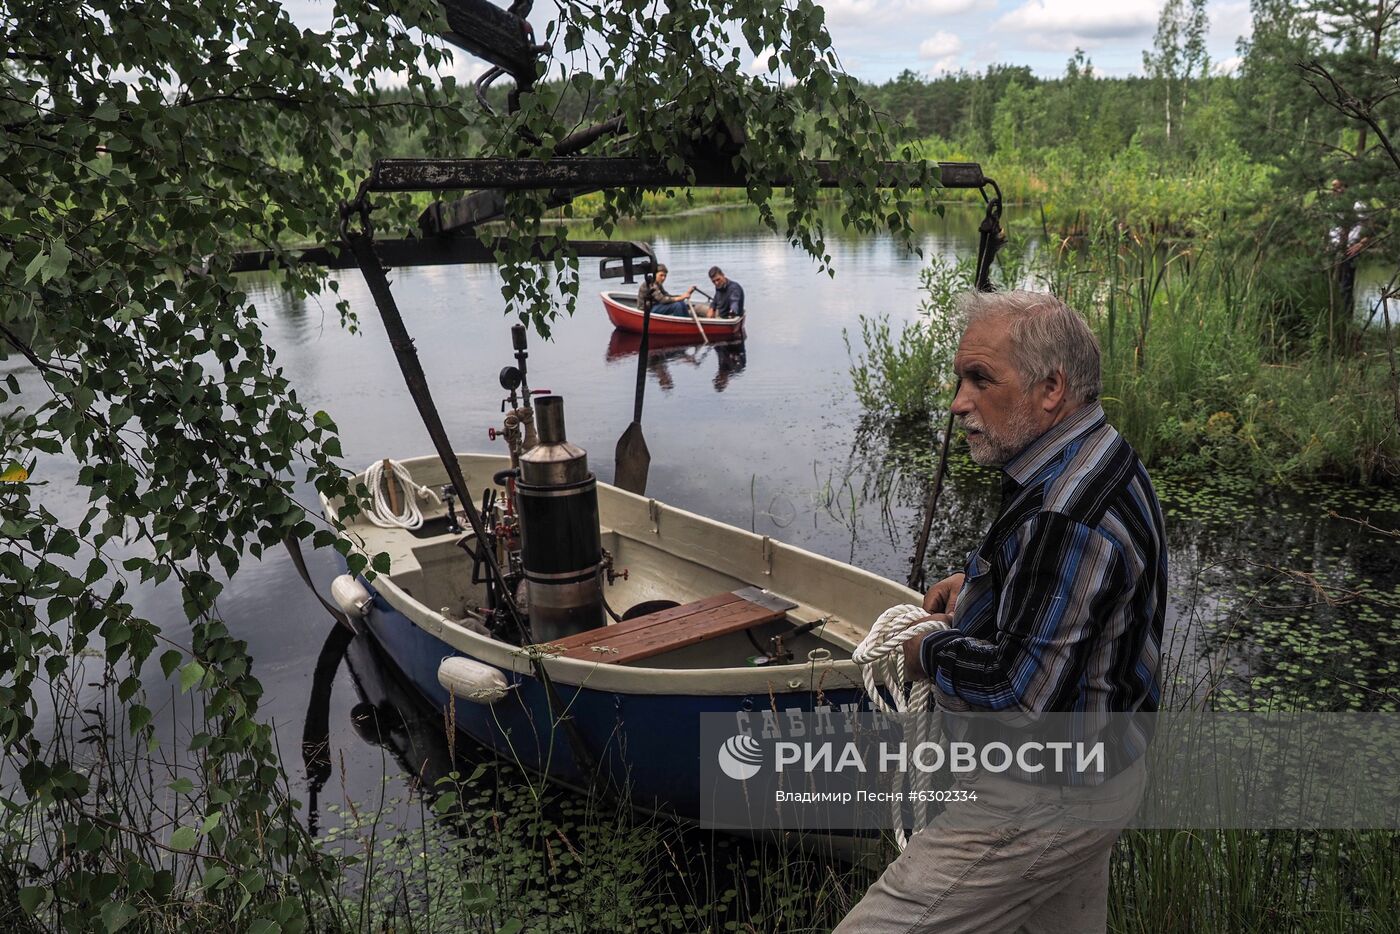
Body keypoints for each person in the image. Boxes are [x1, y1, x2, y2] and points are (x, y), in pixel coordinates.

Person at [836, 291, 1166, 934]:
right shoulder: (1103, 455)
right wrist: (991, 586)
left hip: (1040, 798)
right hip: (1107, 768)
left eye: (980, 379)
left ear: (1050, 388)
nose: (958, 402)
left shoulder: (1065, 518)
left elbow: (1020, 693)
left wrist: (924, 648)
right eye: (960, 379)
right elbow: (1099, 598)